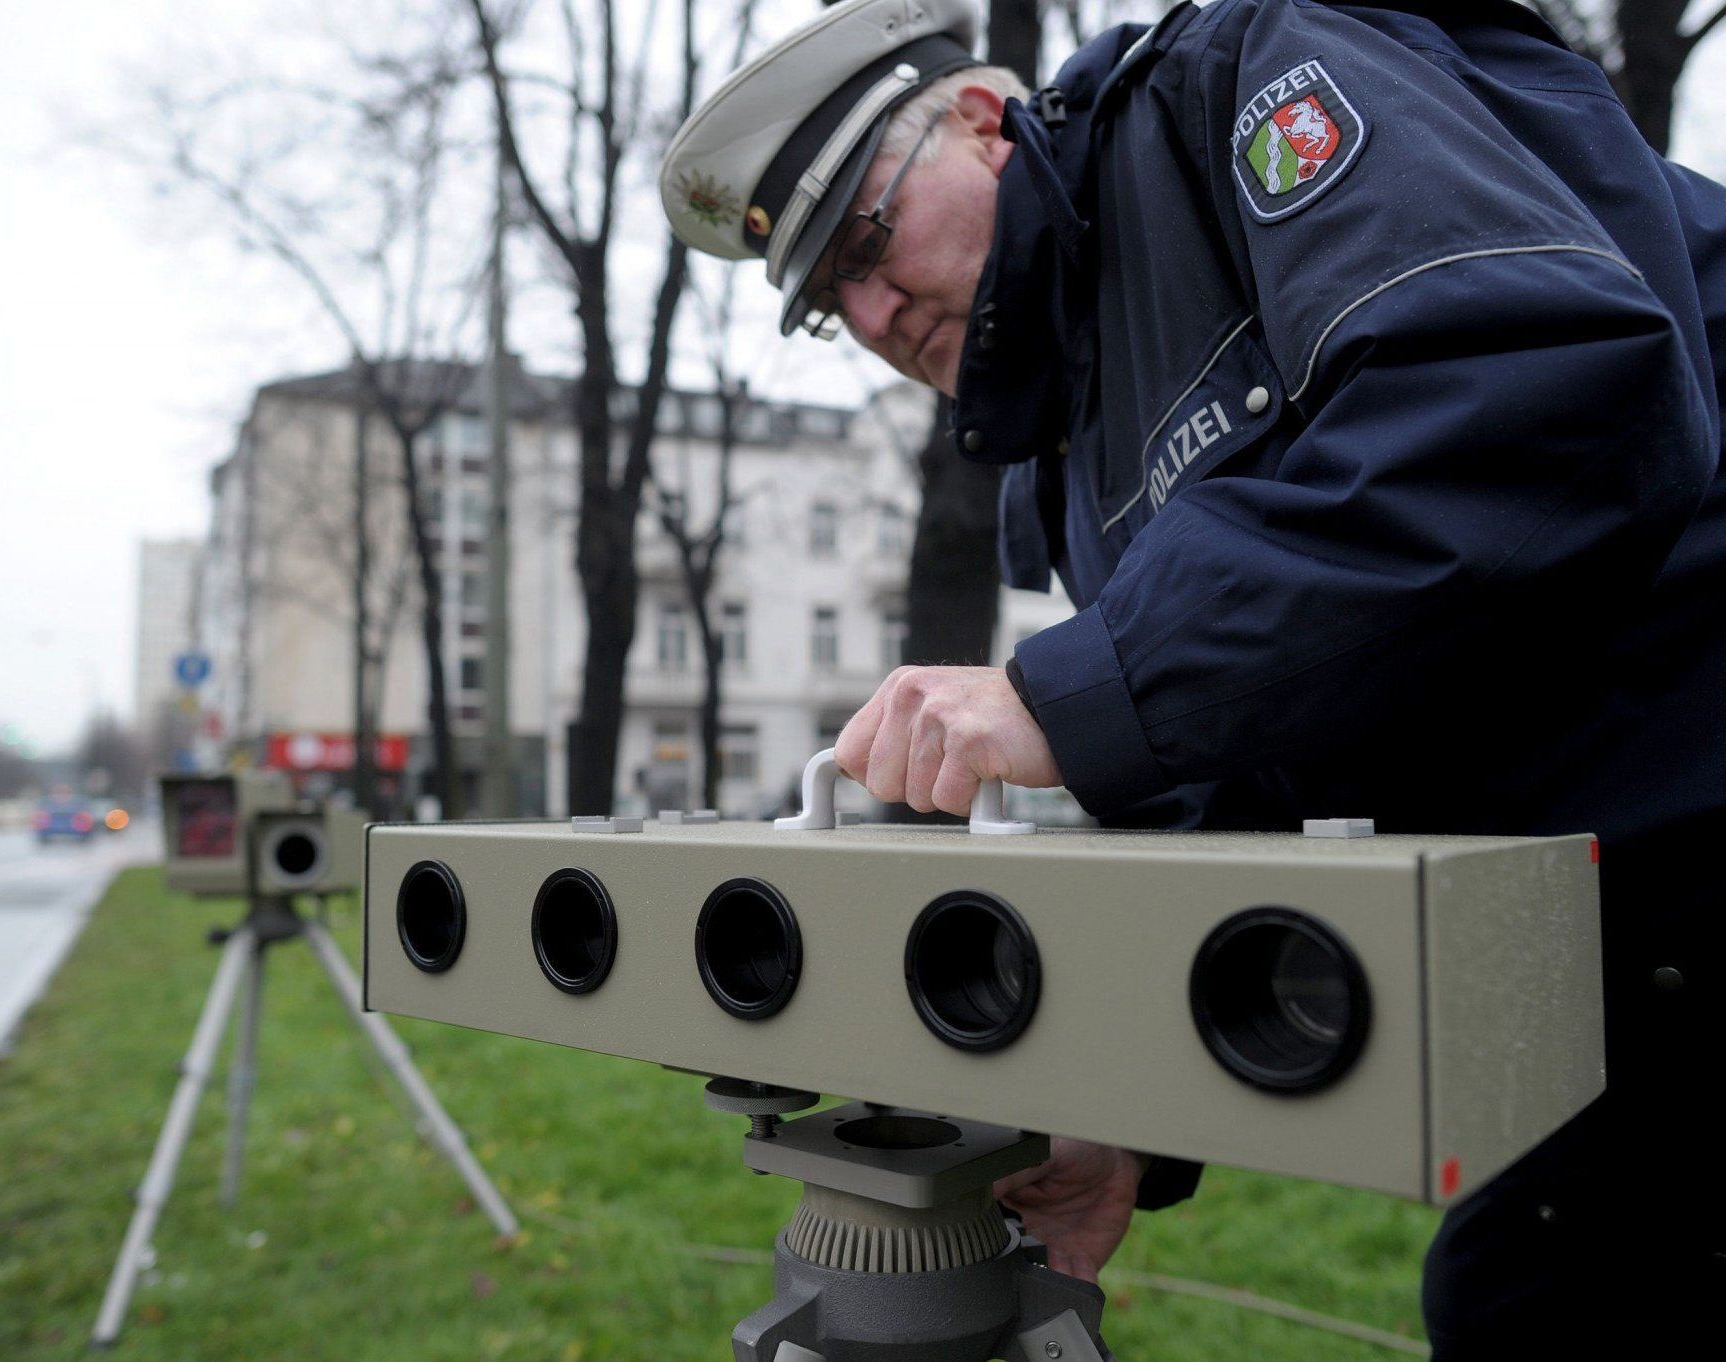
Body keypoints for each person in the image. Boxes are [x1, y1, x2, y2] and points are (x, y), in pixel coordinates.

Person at [661, 0, 1726, 1353]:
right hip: (1614, 934)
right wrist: (1126, 1114)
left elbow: (1543, 383)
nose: (872, 311)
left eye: (868, 239)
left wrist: (1069, 688)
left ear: (983, 125)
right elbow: (1243, 752)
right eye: (827, 303)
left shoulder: (1248, 83)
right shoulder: (1069, 449)